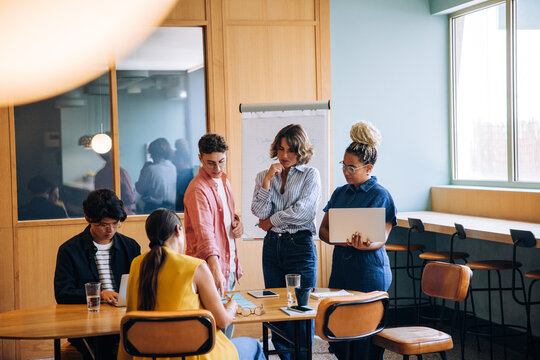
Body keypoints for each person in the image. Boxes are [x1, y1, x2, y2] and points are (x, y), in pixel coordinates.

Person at [118, 209, 265, 360]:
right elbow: (223, 320)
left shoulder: (137, 264)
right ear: (178, 230)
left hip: (148, 355)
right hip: (193, 355)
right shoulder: (196, 266)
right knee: (254, 346)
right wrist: (232, 306)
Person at [319, 121, 396, 360]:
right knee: (339, 332)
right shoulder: (340, 193)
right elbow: (323, 230)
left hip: (369, 270)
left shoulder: (381, 194)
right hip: (342, 268)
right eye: (344, 165)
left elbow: (382, 237)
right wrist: (341, 241)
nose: (345, 171)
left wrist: (365, 245)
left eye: (351, 167)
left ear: (369, 168)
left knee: (365, 337)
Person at [251, 124, 321, 360]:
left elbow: (304, 212)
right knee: (275, 307)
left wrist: (272, 219)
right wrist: (268, 181)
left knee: (300, 309)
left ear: (300, 152)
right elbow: (257, 210)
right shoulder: (263, 176)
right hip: (272, 246)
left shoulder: (311, 175)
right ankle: (284, 357)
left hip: (299, 246)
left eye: (291, 151)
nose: (284, 155)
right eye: (281, 149)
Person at [54, 189, 141, 359]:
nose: (110, 230)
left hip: (124, 318)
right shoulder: (69, 250)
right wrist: (100, 294)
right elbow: (62, 293)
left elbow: (140, 284)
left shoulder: (130, 247)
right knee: (102, 341)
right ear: (87, 218)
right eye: (103, 225)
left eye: (115, 223)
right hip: (88, 323)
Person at [183, 133, 243, 338]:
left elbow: (227, 217)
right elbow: (204, 234)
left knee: (226, 331)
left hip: (229, 264)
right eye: (211, 163)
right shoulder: (197, 189)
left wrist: (237, 224)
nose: (217, 169)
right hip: (209, 269)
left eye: (221, 162)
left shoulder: (224, 182)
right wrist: (215, 270)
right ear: (200, 158)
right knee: (214, 332)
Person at [135, 138, 177, 212]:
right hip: (171, 209)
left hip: (153, 208)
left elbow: (140, 189)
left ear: (153, 153)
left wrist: (143, 170)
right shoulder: (173, 167)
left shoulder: (150, 169)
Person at [172, 138, 194, 211]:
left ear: (181, 159)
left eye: (174, 159)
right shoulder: (192, 172)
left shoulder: (181, 177)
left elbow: (177, 199)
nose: (173, 163)